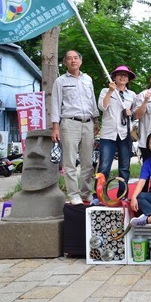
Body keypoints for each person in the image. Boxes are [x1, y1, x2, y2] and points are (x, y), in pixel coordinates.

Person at [51, 50, 99, 205]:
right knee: (70, 162)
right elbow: (56, 104)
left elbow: (92, 100)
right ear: (65, 62)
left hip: (88, 123)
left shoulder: (88, 79)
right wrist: (55, 128)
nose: (73, 61)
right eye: (69, 59)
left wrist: (96, 121)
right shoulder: (60, 81)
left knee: (87, 162)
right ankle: (73, 194)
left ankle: (86, 193)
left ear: (81, 61)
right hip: (69, 123)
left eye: (76, 58)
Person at [97, 65, 137, 200]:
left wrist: (130, 114)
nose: (123, 77)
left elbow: (135, 115)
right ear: (114, 77)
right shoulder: (105, 91)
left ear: (128, 79)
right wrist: (110, 91)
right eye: (120, 74)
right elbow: (102, 107)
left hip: (125, 134)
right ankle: (99, 194)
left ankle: (122, 194)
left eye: (125, 75)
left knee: (124, 167)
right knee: (104, 165)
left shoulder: (132, 95)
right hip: (108, 134)